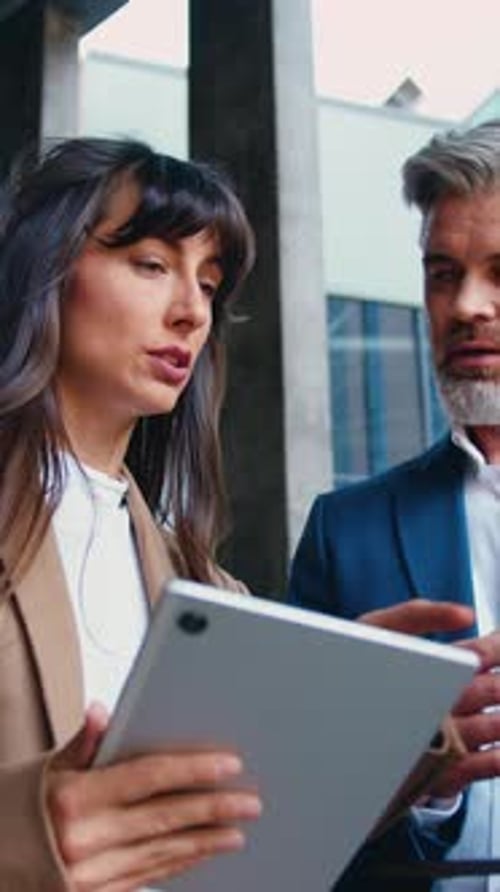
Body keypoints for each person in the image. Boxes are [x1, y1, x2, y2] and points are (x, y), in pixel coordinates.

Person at [0, 136, 265, 891]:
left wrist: (377, 722)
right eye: (151, 264)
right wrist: (24, 838)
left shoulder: (209, 590)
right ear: (46, 268)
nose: (191, 312)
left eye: (209, 284)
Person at [289, 117, 500, 891]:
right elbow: (291, 814)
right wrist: (418, 783)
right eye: (443, 274)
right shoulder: (345, 533)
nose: (467, 305)